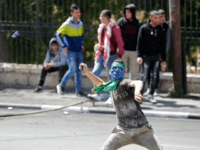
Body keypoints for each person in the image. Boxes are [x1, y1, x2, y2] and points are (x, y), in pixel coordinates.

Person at [79, 60, 163, 150]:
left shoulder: (124, 83)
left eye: (120, 69)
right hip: (122, 131)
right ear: (110, 71)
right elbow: (99, 83)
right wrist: (87, 72)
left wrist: (137, 91)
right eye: (114, 68)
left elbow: (138, 82)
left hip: (142, 130)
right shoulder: (111, 85)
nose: (116, 70)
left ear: (124, 73)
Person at [87, 10, 124, 105]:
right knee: (94, 72)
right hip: (101, 55)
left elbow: (120, 43)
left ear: (105, 17)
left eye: (100, 16)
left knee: (112, 77)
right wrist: (98, 46)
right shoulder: (102, 28)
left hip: (111, 56)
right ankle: (97, 94)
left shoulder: (115, 28)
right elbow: (102, 42)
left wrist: (120, 55)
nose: (99, 18)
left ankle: (112, 98)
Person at [136, 10, 167, 104]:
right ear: (150, 18)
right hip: (145, 56)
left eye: (158, 17)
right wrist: (139, 56)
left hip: (156, 56)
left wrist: (163, 59)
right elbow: (139, 43)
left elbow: (163, 45)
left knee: (154, 76)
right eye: (155, 17)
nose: (157, 19)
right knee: (144, 76)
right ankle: (139, 96)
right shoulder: (144, 28)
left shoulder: (161, 30)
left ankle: (151, 95)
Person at [55, 4, 85, 96]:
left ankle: (78, 91)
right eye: (76, 12)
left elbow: (81, 35)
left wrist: (82, 44)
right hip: (71, 51)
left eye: (79, 12)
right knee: (72, 69)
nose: (78, 14)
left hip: (79, 50)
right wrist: (64, 46)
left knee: (79, 71)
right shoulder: (66, 24)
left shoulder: (80, 23)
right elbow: (57, 34)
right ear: (71, 13)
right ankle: (61, 85)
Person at [117, 3, 142, 80]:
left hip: (134, 51)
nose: (126, 14)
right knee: (120, 71)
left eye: (129, 12)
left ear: (133, 12)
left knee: (134, 72)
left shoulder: (139, 23)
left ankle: (132, 89)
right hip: (122, 51)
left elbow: (141, 38)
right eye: (125, 12)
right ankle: (120, 88)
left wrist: (140, 53)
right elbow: (117, 35)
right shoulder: (121, 21)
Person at [152, 9, 171, 96]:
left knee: (156, 71)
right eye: (159, 16)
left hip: (160, 52)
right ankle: (150, 88)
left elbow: (168, 41)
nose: (161, 18)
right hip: (151, 51)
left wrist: (164, 54)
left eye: (162, 16)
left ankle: (155, 89)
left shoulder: (167, 26)